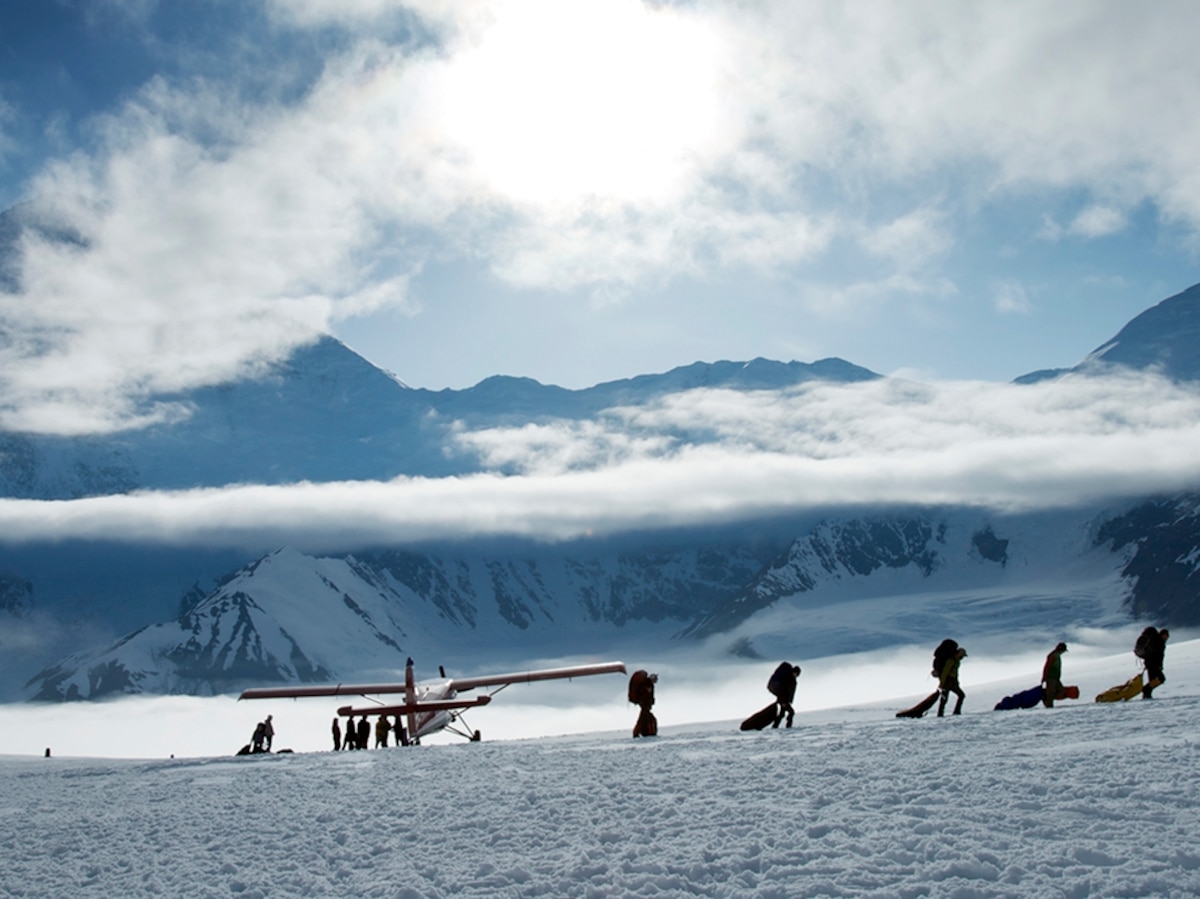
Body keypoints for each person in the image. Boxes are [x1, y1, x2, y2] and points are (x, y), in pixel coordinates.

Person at [768, 662, 801, 728]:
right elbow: (783, 691)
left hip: (783, 700)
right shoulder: (788, 679)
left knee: (782, 714)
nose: (796, 675)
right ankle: (788, 726)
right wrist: (783, 702)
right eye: (796, 673)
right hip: (783, 700)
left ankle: (775, 726)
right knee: (791, 712)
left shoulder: (790, 679)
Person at [1140, 627, 1170, 699]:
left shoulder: (1157, 641)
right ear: (1162, 634)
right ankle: (1146, 690)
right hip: (1153, 664)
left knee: (1153, 680)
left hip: (1151, 664)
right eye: (1166, 635)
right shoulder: (1158, 642)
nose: (1167, 637)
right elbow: (1157, 655)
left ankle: (1147, 694)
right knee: (1161, 679)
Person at [937, 647, 967, 717]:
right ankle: (943, 714)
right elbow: (945, 672)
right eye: (962, 655)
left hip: (952, 682)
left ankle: (942, 714)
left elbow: (955, 673)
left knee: (959, 696)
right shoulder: (951, 660)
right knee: (945, 698)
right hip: (948, 681)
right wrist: (941, 683)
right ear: (959, 653)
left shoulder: (956, 660)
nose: (963, 657)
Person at [631, 671, 658, 738]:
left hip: (645, 704)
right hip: (645, 705)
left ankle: (639, 732)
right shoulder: (647, 684)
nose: (656, 681)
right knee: (645, 719)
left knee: (643, 719)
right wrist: (649, 702)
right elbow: (647, 696)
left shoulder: (647, 684)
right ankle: (647, 733)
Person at [1041, 642, 1068, 707]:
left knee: (1061, 690)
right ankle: (1049, 706)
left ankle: (1047, 699)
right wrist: (1044, 677)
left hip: (1055, 678)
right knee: (1051, 692)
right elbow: (1047, 667)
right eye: (1063, 650)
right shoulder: (1052, 656)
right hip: (1050, 677)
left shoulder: (1057, 655)